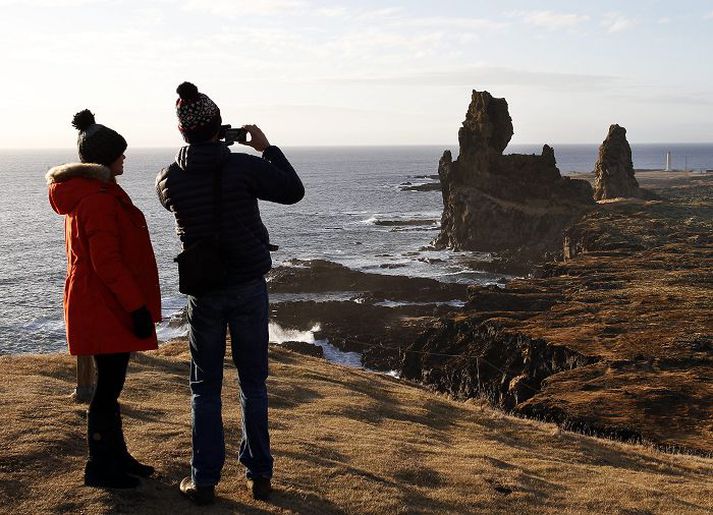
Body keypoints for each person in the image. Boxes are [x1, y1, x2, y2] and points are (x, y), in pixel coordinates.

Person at [156, 82, 304, 504]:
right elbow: (293, 191)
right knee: (253, 384)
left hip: (204, 291)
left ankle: (203, 480)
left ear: (182, 132)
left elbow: (169, 196)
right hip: (247, 287)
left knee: (204, 386)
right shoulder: (242, 167)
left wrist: (206, 144)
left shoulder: (170, 178)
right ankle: (259, 475)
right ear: (220, 127)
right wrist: (266, 148)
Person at [47, 110, 162, 489]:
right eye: (120, 154)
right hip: (104, 304)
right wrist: (136, 307)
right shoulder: (96, 198)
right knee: (108, 388)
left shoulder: (95, 192)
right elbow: (107, 262)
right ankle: (100, 465)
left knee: (112, 385)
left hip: (98, 300)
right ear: (105, 159)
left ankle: (117, 456)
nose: (125, 159)